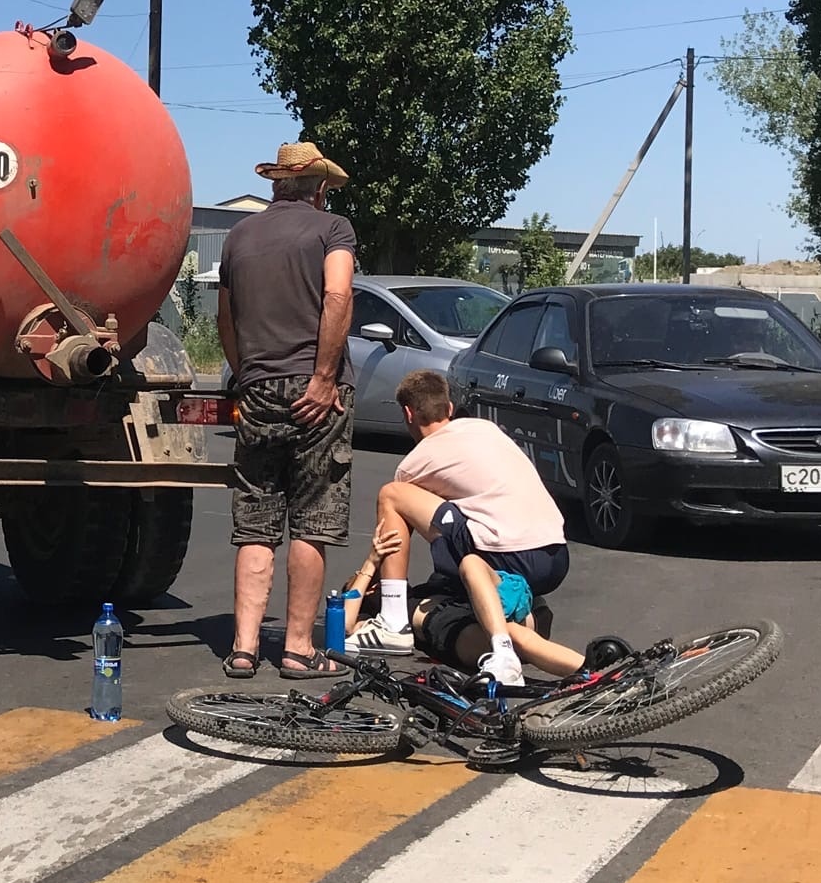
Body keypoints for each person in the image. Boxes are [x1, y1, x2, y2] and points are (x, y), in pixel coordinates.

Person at [215, 141, 357, 680]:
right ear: (319, 187)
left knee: (255, 519)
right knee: (312, 520)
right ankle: (298, 648)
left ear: (277, 184)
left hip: (256, 386)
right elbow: (338, 296)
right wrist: (323, 377)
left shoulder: (238, 235)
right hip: (315, 388)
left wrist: (245, 372)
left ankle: (244, 647)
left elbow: (225, 316)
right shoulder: (333, 229)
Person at [345, 368, 581, 686]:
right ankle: (595, 670)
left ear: (408, 413)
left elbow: (416, 518)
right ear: (450, 409)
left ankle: (392, 619)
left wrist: (372, 566)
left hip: (509, 556)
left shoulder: (413, 465)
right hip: (554, 554)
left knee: (393, 495)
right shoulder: (485, 429)